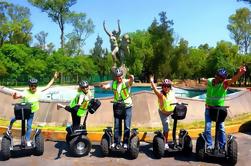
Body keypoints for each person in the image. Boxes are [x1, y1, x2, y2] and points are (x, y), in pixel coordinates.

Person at [201, 66, 246, 152]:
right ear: (216, 76)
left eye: (223, 78)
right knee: (207, 127)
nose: (221, 79)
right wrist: (202, 79)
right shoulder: (210, 81)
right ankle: (209, 145)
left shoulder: (224, 84)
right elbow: (206, 80)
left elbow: (232, 80)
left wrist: (240, 73)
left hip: (219, 109)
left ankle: (222, 147)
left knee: (221, 128)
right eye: (220, 77)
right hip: (209, 108)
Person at [7, 72, 58, 146]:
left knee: (29, 126)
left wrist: (54, 78)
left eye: (35, 86)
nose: (33, 87)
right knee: (15, 119)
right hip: (23, 111)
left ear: (36, 86)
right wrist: (14, 96)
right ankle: (10, 125)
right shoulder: (25, 92)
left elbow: (47, 86)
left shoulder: (38, 90)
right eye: (32, 86)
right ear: (29, 86)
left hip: (31, 112)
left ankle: (27, 140)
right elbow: (16, 97)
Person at [100, 68, 134, 149]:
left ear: (122, 76)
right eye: (118, 76)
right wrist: (103, 86)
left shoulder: (126, 82)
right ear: (115, 77)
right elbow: (107, 86)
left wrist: (132, 77)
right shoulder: (113, 83)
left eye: (121, 76)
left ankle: (125, 142)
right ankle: (116, 142)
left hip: (127, 106)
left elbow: (131, 81)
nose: (119, 78)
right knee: (117, 125)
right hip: (117, 106)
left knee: (127, 126)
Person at [150, 76, 177, 149]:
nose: (166, 88)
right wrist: (152, 82)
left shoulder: (172, 92)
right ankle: (165, 143)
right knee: (167, 127)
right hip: (163, 113)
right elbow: (155, 90)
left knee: (170, 127)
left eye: (168, 86)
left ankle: (165, 137)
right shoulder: (161, 95)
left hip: (171, 112)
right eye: (164, 86)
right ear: (162, 87)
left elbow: (174, 100)